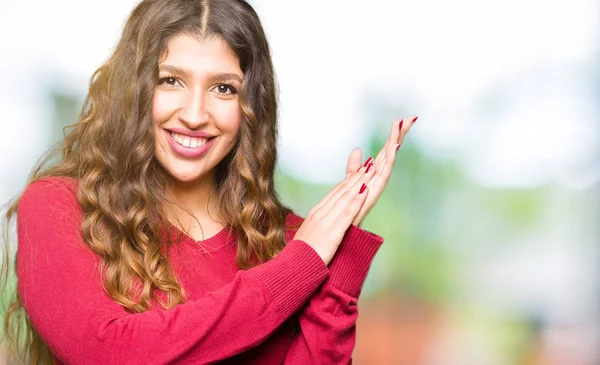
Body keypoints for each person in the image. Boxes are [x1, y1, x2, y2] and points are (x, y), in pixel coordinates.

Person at [0, 0, 417, 364]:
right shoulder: (59, 207)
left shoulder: (294, 242)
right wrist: (300, 266)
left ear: (251, 105)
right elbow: (105, 353)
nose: (195, 114)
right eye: (171, 81)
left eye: (223, 88)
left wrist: (336, 256)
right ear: (132, 90)